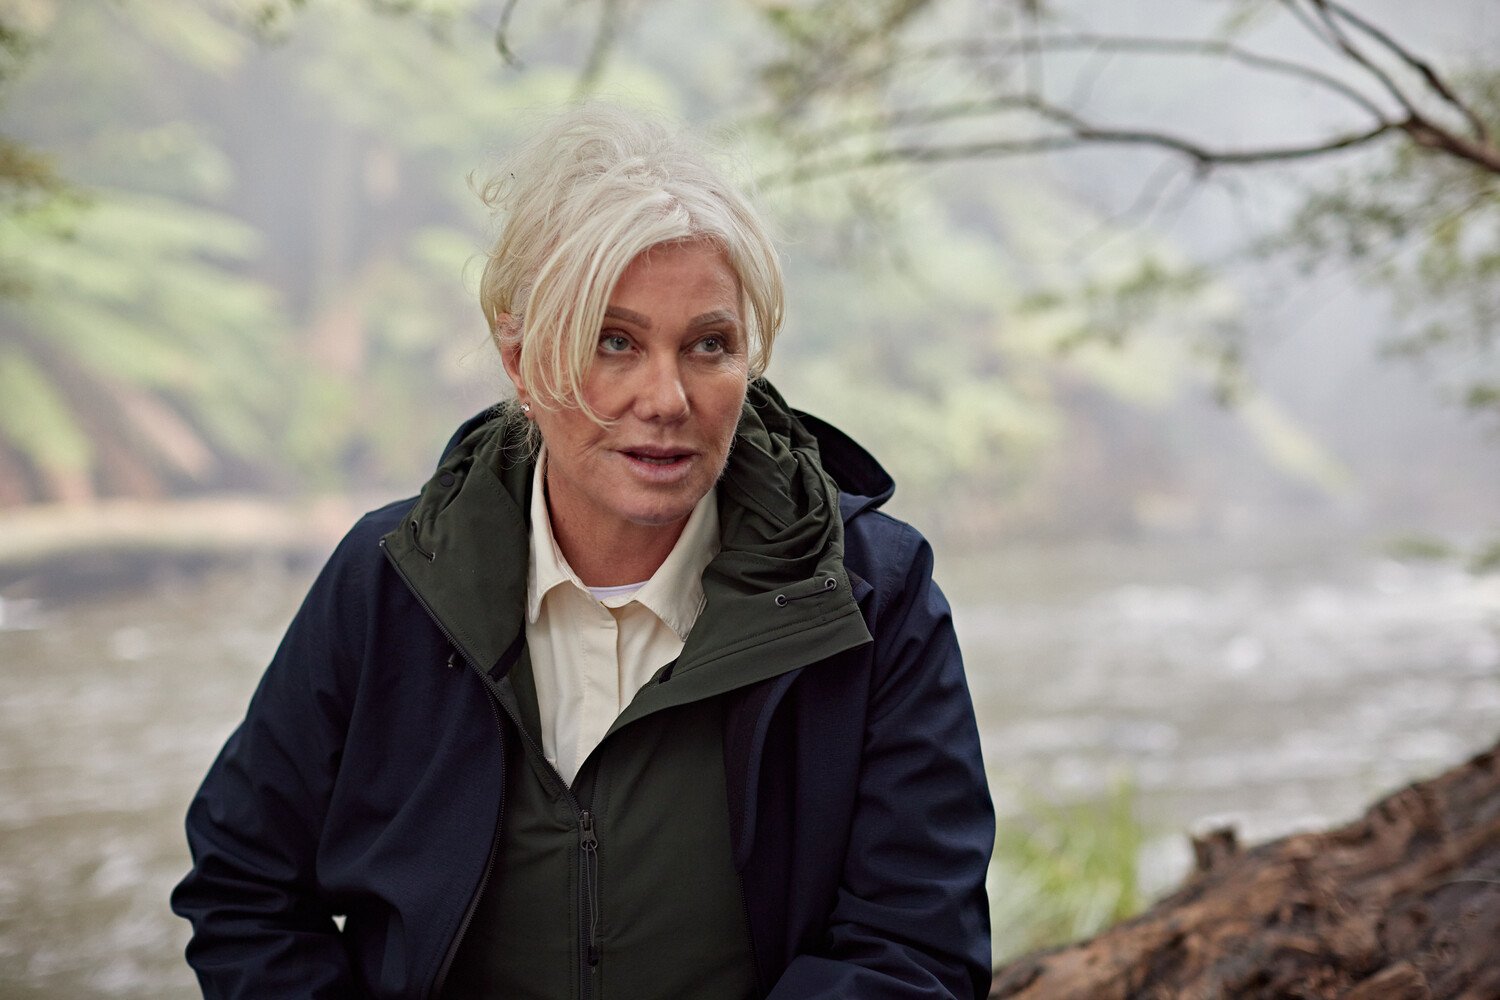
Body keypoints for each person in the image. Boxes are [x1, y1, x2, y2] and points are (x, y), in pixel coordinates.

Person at [172, 103, 995, 1000]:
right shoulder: (389, 580)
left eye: (709, 345)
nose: (667, 398)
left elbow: (915, 943)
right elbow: (244, 888)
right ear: (520, 358)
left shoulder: (871, 594)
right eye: (615, 341)